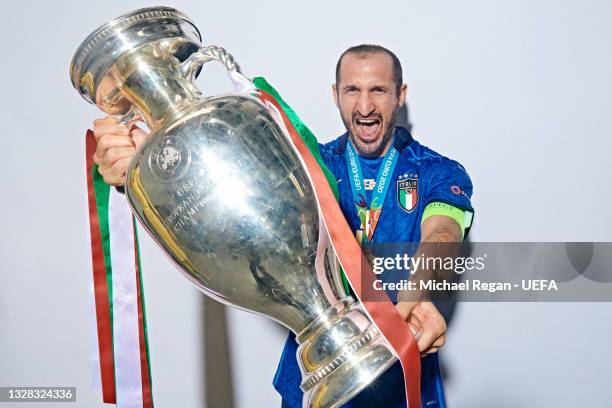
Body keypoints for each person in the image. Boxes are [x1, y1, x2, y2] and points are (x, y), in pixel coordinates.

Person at [92, 44, 473, 408]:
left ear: (400, 95)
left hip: (403, 367)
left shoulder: (436, 171)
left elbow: (442, 234)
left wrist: (418, 292)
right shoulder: (304, 164)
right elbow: (222, 200)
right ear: (335, 95)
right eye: (352, 90)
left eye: (379, 90)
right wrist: (149, 165)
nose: (365, 106)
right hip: (314, 376)